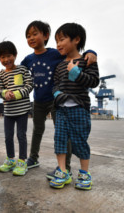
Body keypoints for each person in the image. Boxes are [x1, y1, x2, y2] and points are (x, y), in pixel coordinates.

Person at [19, 21, 97, 179]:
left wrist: (91, 51)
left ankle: (65, 168)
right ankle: (33, 158)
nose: (31, 38)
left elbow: (76, 53)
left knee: (63, 134)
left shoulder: (56, 53)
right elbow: (18, 72)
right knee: (37, 130)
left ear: (45, 35)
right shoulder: (28, 59)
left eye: (35, 34)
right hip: (40, 100)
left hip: (57, 102)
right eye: (28, 36)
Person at [49, 23, 99, 190]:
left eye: (62, 39)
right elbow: (55, 84)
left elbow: (94, 81)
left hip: (79, 108)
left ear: (76, 40)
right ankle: (63, 172)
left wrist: (77, 74)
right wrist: (56, 95)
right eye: (56, 41)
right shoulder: (59, 65)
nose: (58, 44)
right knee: (60, 140)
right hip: (61, 109)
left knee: (79, 141)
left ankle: (85, 173)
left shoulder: (87, 61)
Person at [0, 41, 33, 176]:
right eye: (2, 57)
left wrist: (16, 94)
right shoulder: (1, 74)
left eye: (8, 55)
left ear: (15, 55)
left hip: (22, 110)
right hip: (8, 111)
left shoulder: (22, 70)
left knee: (21, 135)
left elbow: (29, 85)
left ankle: (22, 161)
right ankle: (10, 160)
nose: (6, 60)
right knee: (8, 136)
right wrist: (5, 93)